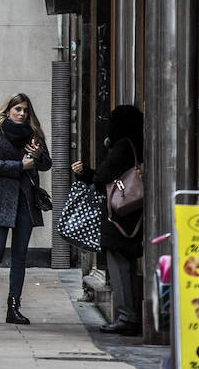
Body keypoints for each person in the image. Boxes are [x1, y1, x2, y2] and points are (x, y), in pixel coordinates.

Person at [0, 93, 52, 325]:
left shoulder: (34, 134)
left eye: (26, 110)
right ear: (7, 110)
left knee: (19, 257)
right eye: (18, 109)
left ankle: (14, 309)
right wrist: (20, 166)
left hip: (25, 202)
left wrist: (38, 157)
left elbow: (47, 164)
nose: (22, 114)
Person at [72, 104, 145, 336]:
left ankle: (127, 316)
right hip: (134, 215)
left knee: (119, 266)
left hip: (119, 217)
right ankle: (131, 314)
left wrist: (87, 173)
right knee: (129, 266)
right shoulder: (139, 144)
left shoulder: (122, 146)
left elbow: (102, 177)